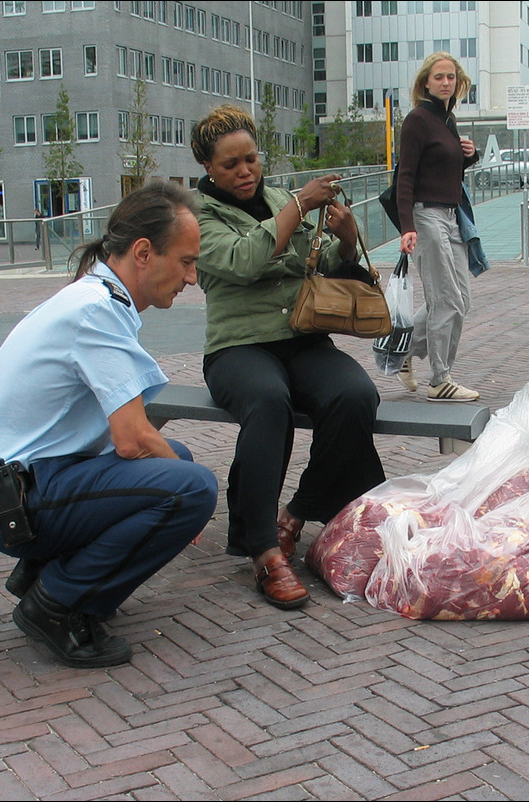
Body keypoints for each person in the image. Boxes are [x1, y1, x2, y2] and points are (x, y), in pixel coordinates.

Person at [0, 182, 219, 668]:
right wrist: (193, 508)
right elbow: (133, 439)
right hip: (12, 503)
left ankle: (45, 573)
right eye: (186, 261)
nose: (191, 277)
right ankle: (56, 605)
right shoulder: (96, 311)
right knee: (192, 487)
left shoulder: (95, 298)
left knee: (179, 464)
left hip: (14, 490)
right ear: (144, 253)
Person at [190, 104, 386, 611]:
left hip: (301, 336)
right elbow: (242, 261)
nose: (244, 171)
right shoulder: (199, 217)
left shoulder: (277, 197)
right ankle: (263, 552)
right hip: (237, 345)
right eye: (230, 163)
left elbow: (315, 266)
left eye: (250, 159)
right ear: (208, 168)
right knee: (268, 401)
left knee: (355, 394)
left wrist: (344, 241)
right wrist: (298, 205)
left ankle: (295, 515)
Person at [395, 51, 482, 402]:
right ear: (426, 83)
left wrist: (469, 155)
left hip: (451, 215)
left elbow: (449, 173)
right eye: (439, 77)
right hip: (426, 216)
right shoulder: (417, 120)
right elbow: (406, 176)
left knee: (459, 297)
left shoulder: (449, 120)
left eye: (451, 77)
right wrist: (406, 226)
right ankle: (440, 379)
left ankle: (400, 352)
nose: (446, 82)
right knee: (445, 299)